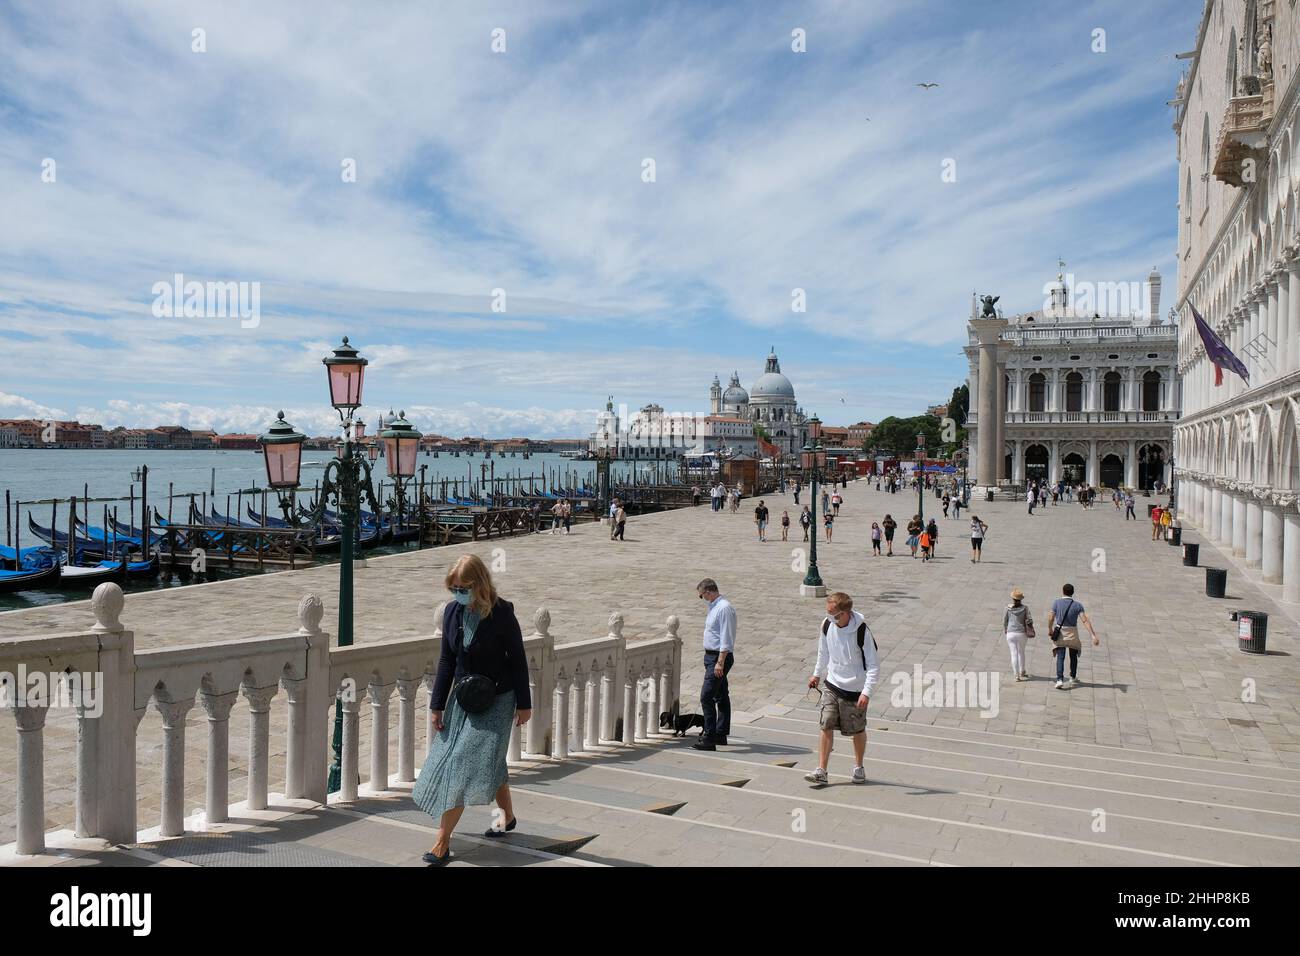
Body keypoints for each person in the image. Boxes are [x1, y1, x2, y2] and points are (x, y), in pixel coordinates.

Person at [415, 554, 532, 865]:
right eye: (453, 588)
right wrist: (437, 704)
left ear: (479, 584)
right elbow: (446, 662)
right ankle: (506, 817)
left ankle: (442, 841)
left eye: (463, 587)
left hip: (498, 700)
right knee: (485, 761)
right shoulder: (453, 613)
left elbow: (518, 661)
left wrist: (524, 704)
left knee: (465, 766)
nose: (457, 593)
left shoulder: (503, 613)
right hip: (464, 699)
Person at [805, 592, 878, 785]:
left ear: (846, 613)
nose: (830, 618)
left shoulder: (862, 631)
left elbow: (873, 665)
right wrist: (816, 673)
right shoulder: (827, 624)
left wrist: (866, 692)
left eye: (834, 614)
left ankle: (859, 767)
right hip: (832, 684)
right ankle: (822, 770)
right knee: (826, 723)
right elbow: (823, 651)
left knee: (857, 730)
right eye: (828, 613)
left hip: (855, 689)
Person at [693, 579, 735, 750]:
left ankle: (709, 737)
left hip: (718, 658)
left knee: (706, 696)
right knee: (721, 695)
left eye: (702, 595)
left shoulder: (724, 608)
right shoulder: (715, 606)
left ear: (709, 592)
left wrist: (720, 662)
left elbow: (726, 637)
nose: (702, 598)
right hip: (711, 657)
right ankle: (720, 734)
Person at [1046, 582, 1099, 689]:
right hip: (1072, 633)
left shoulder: (1056, 603)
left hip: (1060, 632)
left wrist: (1050, 628)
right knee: (1073, 655)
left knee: (1060, 657)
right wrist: (1093, 635)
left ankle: (1060, 680)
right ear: (1072, 593)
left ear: (1063, 591)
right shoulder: (1078, 605)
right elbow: (1085, 621)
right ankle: (1072, 677)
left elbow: (1051, 617)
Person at [1003, 587, 1033, 681]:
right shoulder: (1025, 608)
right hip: (1022, 633)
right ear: (1021, 599)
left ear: (1013, 599)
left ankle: (1016, 675)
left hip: (1010, 633)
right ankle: (1022, 671)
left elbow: (1004, 621)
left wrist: (1006, 629)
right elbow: (1030, 620)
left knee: (1013, 653)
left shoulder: (1007, 608)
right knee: (1021, 652)